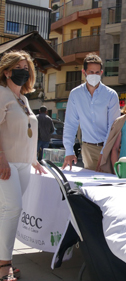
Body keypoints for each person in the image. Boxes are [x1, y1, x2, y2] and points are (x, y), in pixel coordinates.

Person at [0, 50, 46, 281]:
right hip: (6, 163)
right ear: (6, 71)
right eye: (18, 68)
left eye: (26, 68)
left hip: (23, 163)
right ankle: (4, 264)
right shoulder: (1, 94)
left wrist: (33, 160)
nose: (23, 71)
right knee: (13, 209)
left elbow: (26, 132)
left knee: (5, 212)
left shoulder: (24, 99)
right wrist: (1, 159)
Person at [62, 53, 120, 171]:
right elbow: (70, 123)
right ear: (84, 72)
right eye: (91, 72)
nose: (94, 75)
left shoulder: (111, 95)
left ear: (101, 73)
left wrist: (104, 152)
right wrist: (69, 150)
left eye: (97, 72)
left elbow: (113, 126)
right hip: (88, 148)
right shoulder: (75, 94)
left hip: (108, 148)